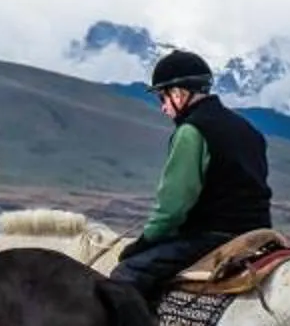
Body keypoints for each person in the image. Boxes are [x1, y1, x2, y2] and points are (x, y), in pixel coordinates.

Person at [113, 50, 276, 303]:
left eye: (162, 97)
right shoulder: (248, 129)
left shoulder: (191, 131)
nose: (164, 107)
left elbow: (174, 206)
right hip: (259, 233)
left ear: (179, 93)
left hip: (211, 236)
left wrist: (145, 241)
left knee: (125, 276)